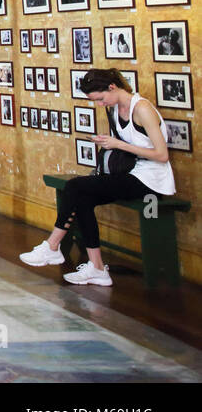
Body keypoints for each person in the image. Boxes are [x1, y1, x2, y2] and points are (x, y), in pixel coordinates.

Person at [20, 69, 175, 286]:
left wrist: (117, 144)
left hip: (151, 179)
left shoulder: (142, 109)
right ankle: (97, 268)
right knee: (82, 198)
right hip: (130, 173)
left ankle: (53, 245)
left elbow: (162, 154)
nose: (100, 104)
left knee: (74, 186)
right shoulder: (114, 109)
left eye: (101, 99)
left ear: (112, 87)